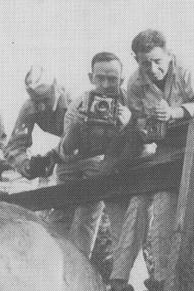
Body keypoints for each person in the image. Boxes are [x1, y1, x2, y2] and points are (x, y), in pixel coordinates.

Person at [108, 29, 194, 291]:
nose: (153, 68)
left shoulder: (185, 73)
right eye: (145, 63)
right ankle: (147, 277)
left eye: (158, 61)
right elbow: (137, 123)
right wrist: (145, 127)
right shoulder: (135, 84)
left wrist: (176, 112)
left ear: (168, 54)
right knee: (148, 202)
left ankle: (176, 276)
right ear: (136, 60)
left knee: (175, 209)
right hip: (163, 151)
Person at [51, 52, 131, 258]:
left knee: (87, 218)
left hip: (105, 165)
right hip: (72, 163)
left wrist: (127, 125)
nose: (105, 84)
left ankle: (80, 269)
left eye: (112, 79)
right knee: (60, 218)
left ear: (122, 80)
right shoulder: (79, 104)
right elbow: (66, 152)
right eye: (100, 78)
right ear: (90, 78)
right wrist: (76, 128)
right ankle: (52, 266)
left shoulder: (129, 102)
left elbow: (141, 143)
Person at [4, 65, 70, 180]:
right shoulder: (30, 107)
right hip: (65, 154)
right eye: (36, 101)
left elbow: (85, 139)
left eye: (46, 99)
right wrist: (26, 165)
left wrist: (53, 156)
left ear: (56, 89)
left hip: (89, 151)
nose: (42, 107)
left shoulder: (75, 101)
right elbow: (14, 146)